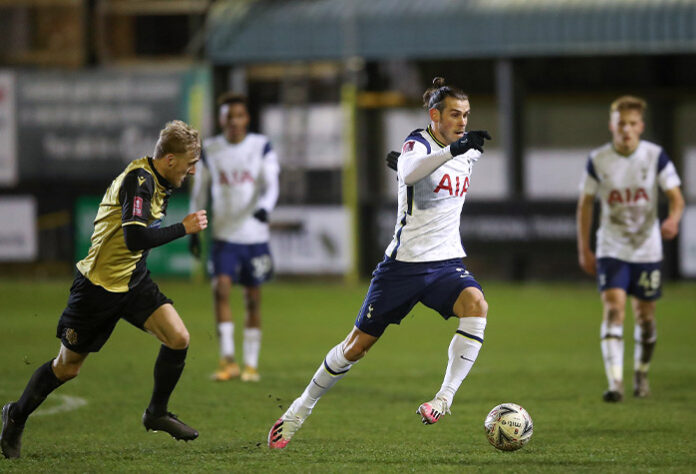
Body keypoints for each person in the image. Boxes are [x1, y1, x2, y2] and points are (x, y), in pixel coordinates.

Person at [267, 77, 492, 449]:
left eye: (466, 115)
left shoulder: (469, 150)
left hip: (445, 262)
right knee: (356, 347)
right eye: (455, 114)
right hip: (402, 266)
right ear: (434, 115)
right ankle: (299, 409)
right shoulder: (419, 141)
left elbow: (422, 176)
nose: (463, 123)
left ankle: (444, 398)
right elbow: (410, 172)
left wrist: (423, 164)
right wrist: (410, 165)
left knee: (477, 306)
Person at [0, 121, 207, 459]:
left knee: (178, 338)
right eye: (190, 162)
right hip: (97, 289)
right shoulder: (138, 182)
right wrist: (183, 228)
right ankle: (16, 414)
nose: (193, 170)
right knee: (67, 368)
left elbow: (133, 248)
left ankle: (156, 413)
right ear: (170, 159)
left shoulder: (159, 180)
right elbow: (135, 238)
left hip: (133, 280)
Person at [576, 95, 685, 402]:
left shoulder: (655, 156)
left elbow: (676, 197)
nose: (626, 129)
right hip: (612, 246)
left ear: (641, 126)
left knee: (646, 318)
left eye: (632, 124)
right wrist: (584, 249)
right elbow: (585, 204)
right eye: (621, 123)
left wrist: (674, 219)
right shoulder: (599, 159)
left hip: (647, 249)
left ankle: (641, 372)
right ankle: (615, 382)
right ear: (612, 125)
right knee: (613, 309)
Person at [188, 92, 280, 383]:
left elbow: (271, 182)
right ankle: (228, 360)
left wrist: (265, 208)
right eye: (229, 116)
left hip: (254, 236)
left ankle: (250, 363)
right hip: (224, 235)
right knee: (221, 290)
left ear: (247, 118)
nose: (235, 122)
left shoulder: (261, 145)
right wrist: (194, 226)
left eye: (239, 116)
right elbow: (199, 190)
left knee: (253, 298)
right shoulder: (210, 149)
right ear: (221, 120)